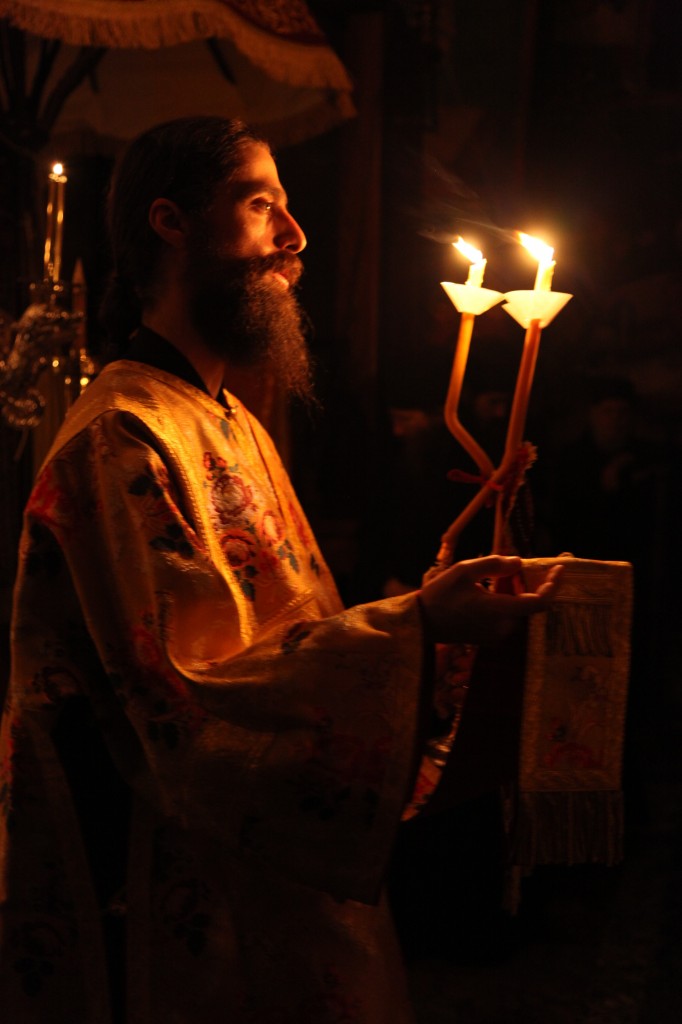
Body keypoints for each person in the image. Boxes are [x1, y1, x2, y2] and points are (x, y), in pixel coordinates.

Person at [0, 117, 561, 1024]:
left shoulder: (229, 421)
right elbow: (191, 695)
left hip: (265, 883)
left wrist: (430, 616)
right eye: (262, 205)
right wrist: (417, 625)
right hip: (176, 894)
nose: (295, 236)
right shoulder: (122, 435)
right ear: (171, 223)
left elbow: (289, 635)